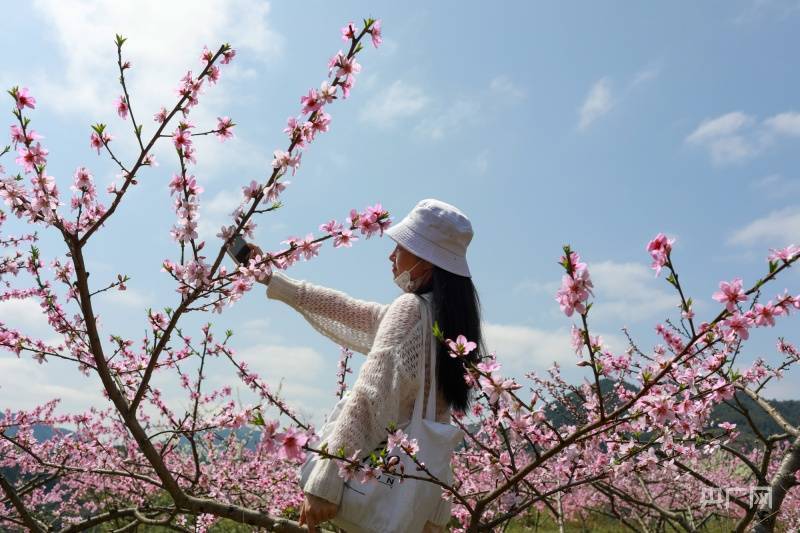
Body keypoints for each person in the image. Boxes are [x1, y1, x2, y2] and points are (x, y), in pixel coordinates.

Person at [247, 199, 484, 532]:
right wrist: (274, 280)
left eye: (402, 247)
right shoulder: (446, 322)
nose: (391, 255)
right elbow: (350, 310)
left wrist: (326, 482)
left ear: (426, 262)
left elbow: (369, 397)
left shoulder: (410, 310)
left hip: (377, 486)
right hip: (414, 503)